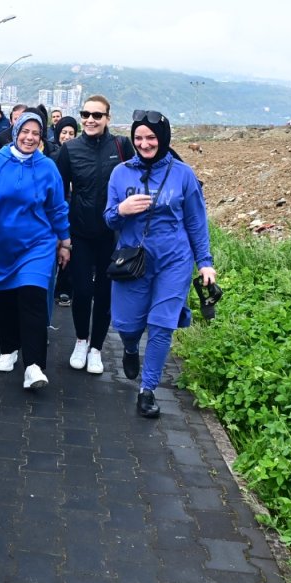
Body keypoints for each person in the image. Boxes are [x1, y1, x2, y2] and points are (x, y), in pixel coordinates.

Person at [105, 110, 215, 418]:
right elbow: (108, 216)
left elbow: (196, 221)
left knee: (161, 324)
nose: (144, 143)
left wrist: (205, 263)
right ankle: (129, 348)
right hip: (133, 259)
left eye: (151, 137)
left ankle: (148, 389)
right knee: (127, 324)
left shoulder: (183, 174)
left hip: (174, 260)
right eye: (138, 138)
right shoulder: (121, 173)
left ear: (163, 138)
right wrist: (122, 210)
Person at [0, 112, 70, 390]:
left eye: (36, 133)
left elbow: (57, 207)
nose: (30, 138)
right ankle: (8, 348)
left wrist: (64, 241)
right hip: (2, 245)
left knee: (32, 297)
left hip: (37, 245)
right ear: (15, 131)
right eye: (25, 132)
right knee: (5, 298)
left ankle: (34, 366)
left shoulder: (47, 168)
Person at [55, 95, 132, 376]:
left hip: (112, 235)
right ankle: (80, 341)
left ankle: (97, 348)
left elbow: (142, 173)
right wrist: (61, 237)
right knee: (83, 291)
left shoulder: (121, 146)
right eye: (85, 114)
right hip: (81, 232)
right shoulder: (70, 149)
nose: (90, 119)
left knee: (104, 294)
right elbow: (59, 194)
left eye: (97, 115)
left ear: (108, 118)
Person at [52, 115, 80, 307]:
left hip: (74, 210)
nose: (67, 136)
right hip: (54, 208)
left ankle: (64, 289)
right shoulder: (50, 157)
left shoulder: (80, 156)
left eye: (71, 133)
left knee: (69, 248)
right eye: (64, 132)